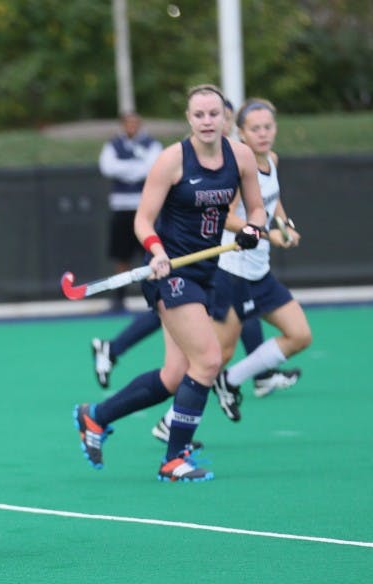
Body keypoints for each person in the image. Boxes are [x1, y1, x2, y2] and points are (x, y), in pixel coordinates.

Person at [72, 84, 268, 482]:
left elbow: (257, 208)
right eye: (199, 115)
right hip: (170, 272)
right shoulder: (172, 160)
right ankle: (174, 458)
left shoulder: (241, 156)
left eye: (214, 114)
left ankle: (95, 417)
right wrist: (156, 250)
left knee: (175, 376)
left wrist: (254, 228)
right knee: (210, 360)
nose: (208, 121)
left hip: (207, 271)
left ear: (225, 118)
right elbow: (143, 219)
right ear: (189, 119)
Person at [208, 98, 312, 422]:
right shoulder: (239, 169)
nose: (263, 134)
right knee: (214, 356)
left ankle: (231, 381)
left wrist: (285, 225)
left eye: (268, 127)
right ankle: (173, 422)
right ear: (241, 132)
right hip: (233, 272)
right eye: (255, 129)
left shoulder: (272, 159)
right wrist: (268, 234)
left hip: (259, 272)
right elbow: (225, 217)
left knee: (299, 335)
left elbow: (272, 199)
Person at [98, 112, 163, 311]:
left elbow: (152, 167)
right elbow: (108, 167)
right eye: (128, 123)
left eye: (135, 123)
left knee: (153, 252)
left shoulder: (152, 144)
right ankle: (119, 298)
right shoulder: (113, 144)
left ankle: (157, 294)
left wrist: (126, 169)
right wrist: (136, 169)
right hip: (121, 208)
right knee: (121, 256)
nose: (132, 127)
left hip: (146, 207)